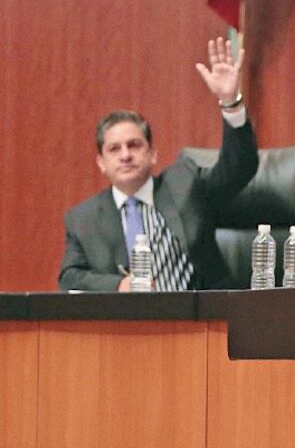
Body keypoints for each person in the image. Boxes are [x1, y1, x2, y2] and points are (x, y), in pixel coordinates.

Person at [59, 38, 259, 291]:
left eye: (134, 145)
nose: (125, 155)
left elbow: (238, 169)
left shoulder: (184, 184)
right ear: (101, 163)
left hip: (202, 318)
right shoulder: (82, 219)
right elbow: (69, 278)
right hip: (127, 326)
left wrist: (230, 102)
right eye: (114, 149)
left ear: (153, 153)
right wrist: (119, 285)